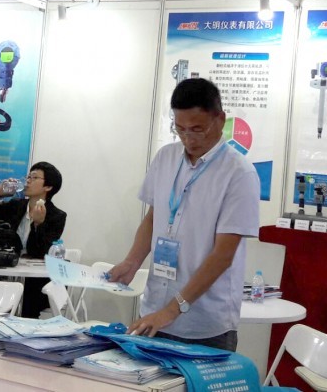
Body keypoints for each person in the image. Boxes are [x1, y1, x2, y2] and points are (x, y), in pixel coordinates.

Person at [110, 78, 260, 351]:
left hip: (204, 326)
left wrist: (172, 309)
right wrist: (131, 262)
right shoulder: (165, 158)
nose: (188, 139)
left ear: (220, 119)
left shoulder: (239, 174)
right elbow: (153, 218)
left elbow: (223, 255)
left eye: (197, 129)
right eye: (180, 129)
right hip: (154, 312)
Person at [0, 161, 66, 316]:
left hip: (32, 281)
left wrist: (38, 224)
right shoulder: (16, 206)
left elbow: (40, 252)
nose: (28, 181)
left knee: (28, 303)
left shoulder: (57, 216)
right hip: (7, 268)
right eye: (28, 177)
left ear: (48, 187)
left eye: (34, 178)